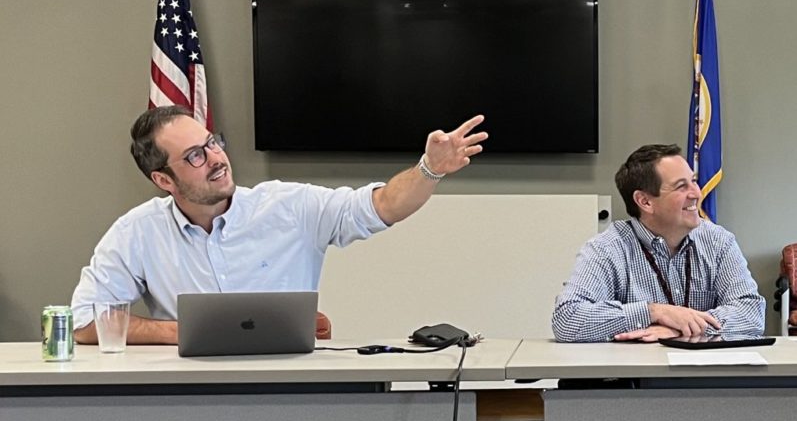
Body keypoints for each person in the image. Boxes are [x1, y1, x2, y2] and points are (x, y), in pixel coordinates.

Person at [71, 105, 487, 345]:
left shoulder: (289, 206)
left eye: (212, 143)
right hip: (189, 392)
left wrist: (430, 169)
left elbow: (384, 206)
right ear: (163, 180)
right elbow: (84, 321)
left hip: (294, 387)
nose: (216, 158)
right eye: (195, 156)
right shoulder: (137, 231)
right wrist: (181, 332)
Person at [552, 144, 765, 342]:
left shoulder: (719, 242)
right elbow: (567, 320)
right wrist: (655, 312)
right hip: (634, 375)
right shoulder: (607, 248)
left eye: (693, 181)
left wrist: (681, 327)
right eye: (681, 187)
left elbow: (752, 313)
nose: (697, 193)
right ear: (645, 202)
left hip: (705, 376)